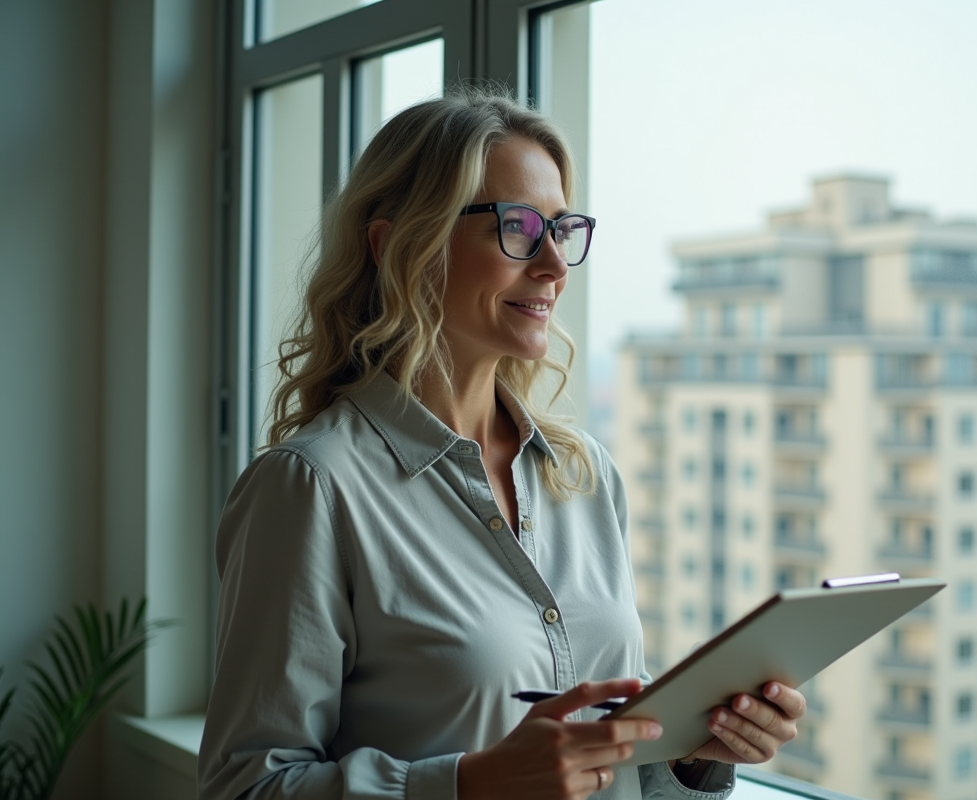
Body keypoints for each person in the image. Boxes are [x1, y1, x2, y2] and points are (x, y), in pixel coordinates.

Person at [197, 89, 805, 800]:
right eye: (517, 227)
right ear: (396, 246)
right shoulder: (311, 487)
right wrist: (468, 784)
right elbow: (245, 787)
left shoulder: (584, 475)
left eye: (562, 230)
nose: (554, 265)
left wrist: (690, 755)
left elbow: (613, 770)